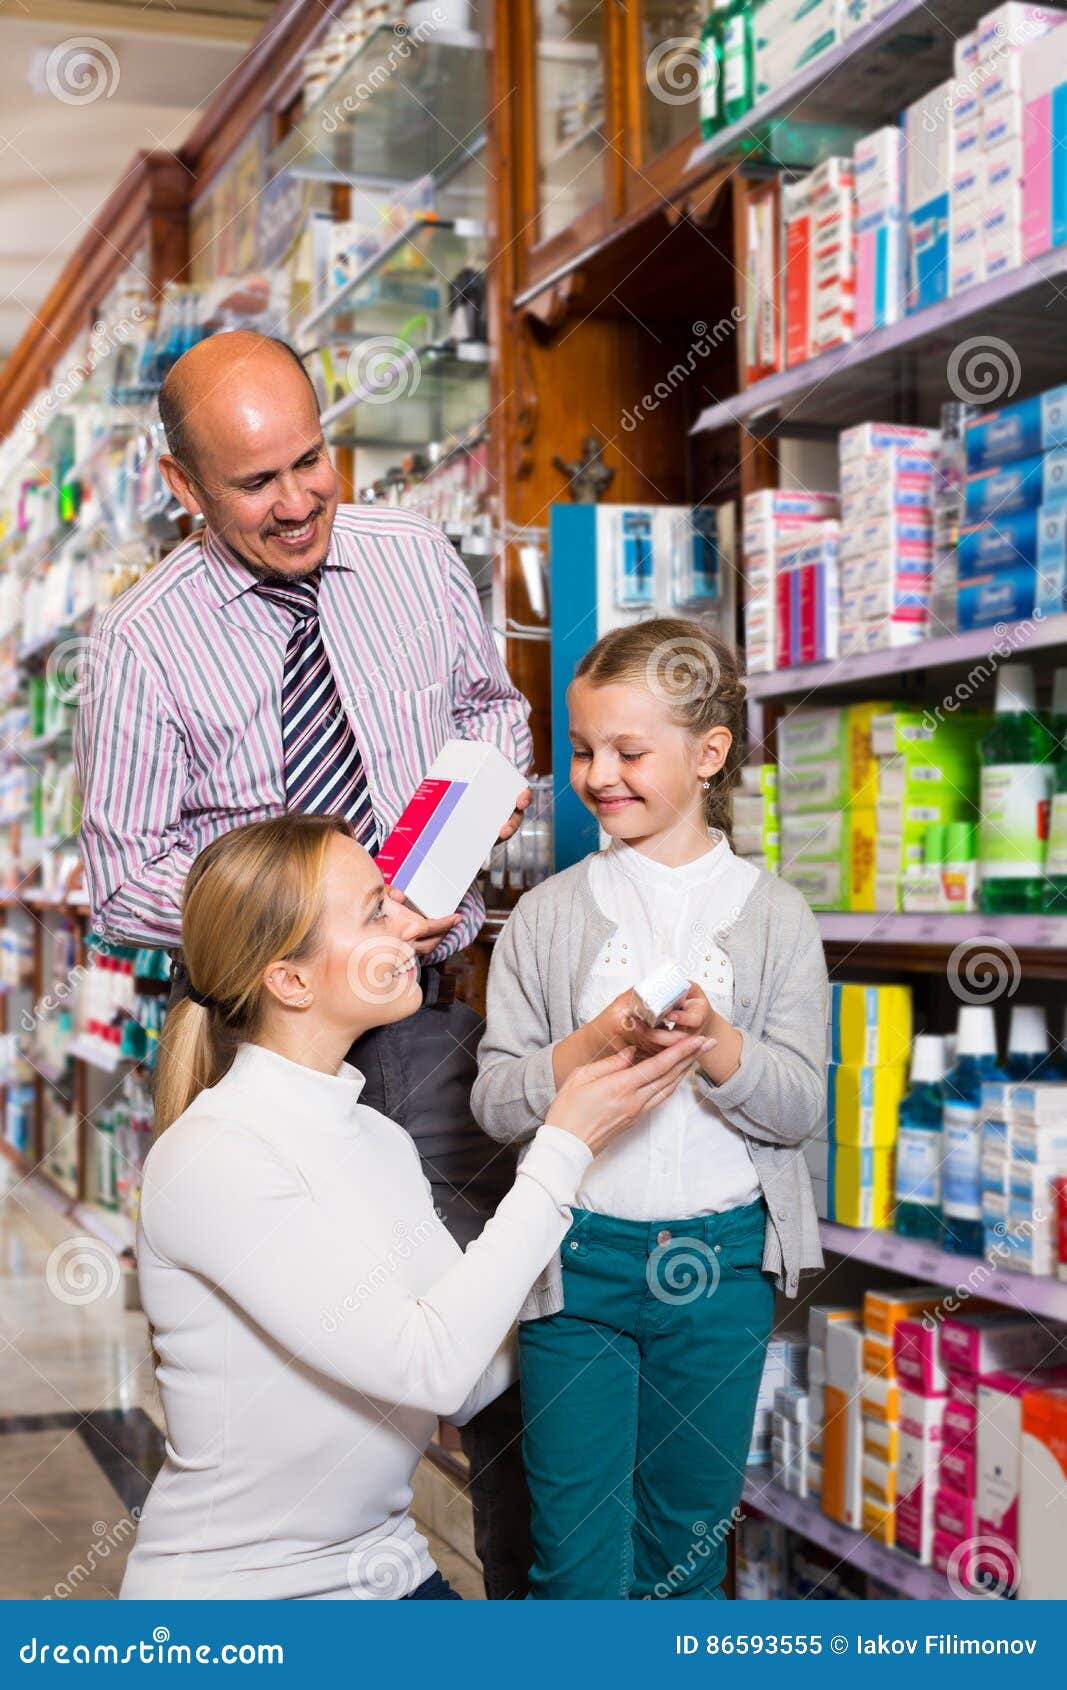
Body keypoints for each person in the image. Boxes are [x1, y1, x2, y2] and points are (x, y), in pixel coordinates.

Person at [73, 329, 534, 1596]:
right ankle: (291, 1577)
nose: (298, 501)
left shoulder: (410, 558)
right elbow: (121, 875)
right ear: (183, 486)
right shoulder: (144, 641)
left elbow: (491, 711)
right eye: (255, 481)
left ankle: (508, 1621)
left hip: (423, 1023)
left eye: (311, 459)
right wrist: (294, 923)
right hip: (260, 1041)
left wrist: (474, 803)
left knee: (482, 1342)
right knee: (292, 1364)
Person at [118, 814, 713, 1600]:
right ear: (289, 981)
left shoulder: (376, 1138)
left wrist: (633, 1298)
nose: (409, 929)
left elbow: (468, 1379)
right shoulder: (215, 1158)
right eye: (374, 913)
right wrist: (564, 1146)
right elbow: (425, 1367)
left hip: (385, 1567)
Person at [471, 617, 828, 1600]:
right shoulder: (543, 917)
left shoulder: (776, 916)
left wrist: (716, 1041)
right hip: (574, 1268)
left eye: (628, 751)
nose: (597, 775)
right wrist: (587, 1046)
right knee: (574, 1559)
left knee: (684, 1556)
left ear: (708, 754)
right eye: (582, 750)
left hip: (720, 1271)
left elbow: (798, 1107)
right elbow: (495, 1101)